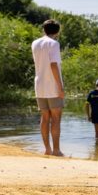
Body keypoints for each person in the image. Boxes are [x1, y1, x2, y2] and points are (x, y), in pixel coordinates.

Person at [31, 19, 64, 156]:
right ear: (57, 31)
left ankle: (47, 150)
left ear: (44, 29)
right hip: (52, 86)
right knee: (56, 118)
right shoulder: (54, 43)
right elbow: (53, 65)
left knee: (45, 117)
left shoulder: (35, 43)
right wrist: (60, 87)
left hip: (39, 85)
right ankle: (56, 150)